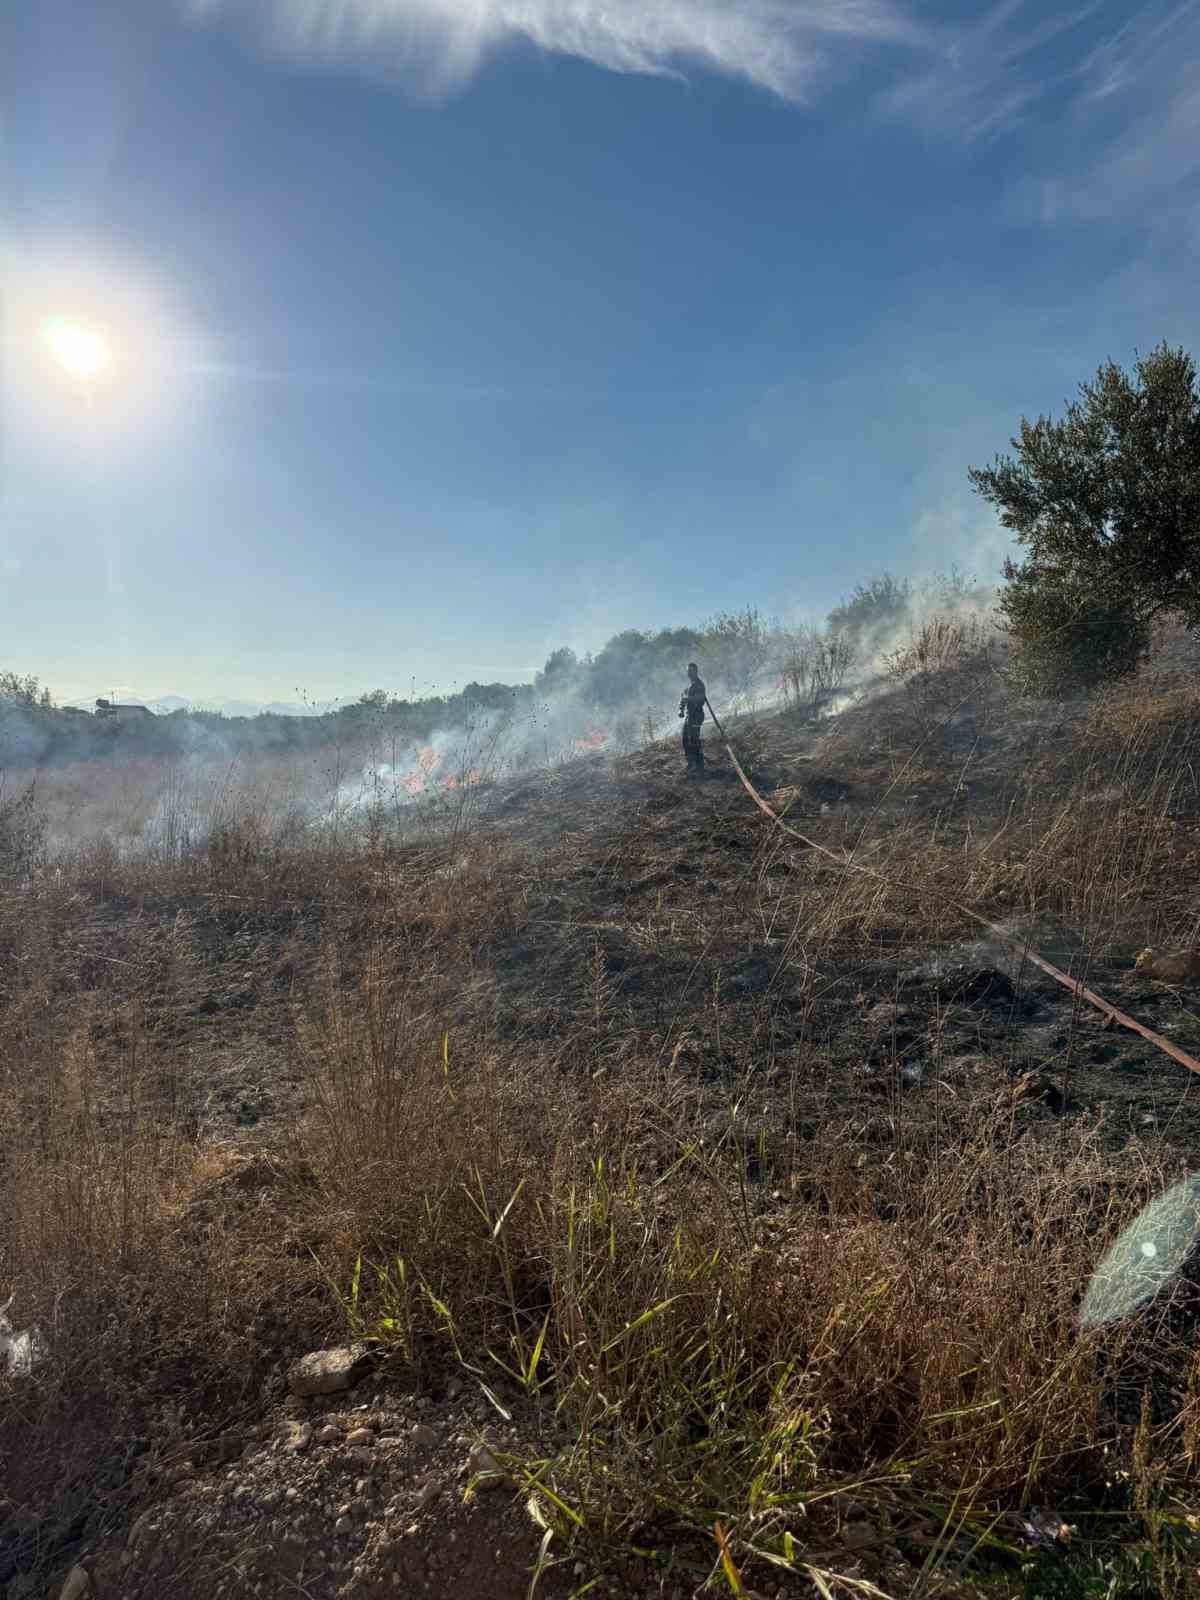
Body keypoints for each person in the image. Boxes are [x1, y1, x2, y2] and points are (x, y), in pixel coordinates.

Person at [679, 663, 707, 774]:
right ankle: (691, 763)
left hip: (696, 716)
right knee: (685, 739)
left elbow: (700, 698)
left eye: (691, 671)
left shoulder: (699, 685)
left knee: (694, 740)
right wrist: (680, 710)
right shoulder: (689, 686)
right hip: (689, 716)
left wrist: (688, 699)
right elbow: (682, 699)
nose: (689, 673)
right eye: (688, 671)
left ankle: (699, 766)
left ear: (696, 672)